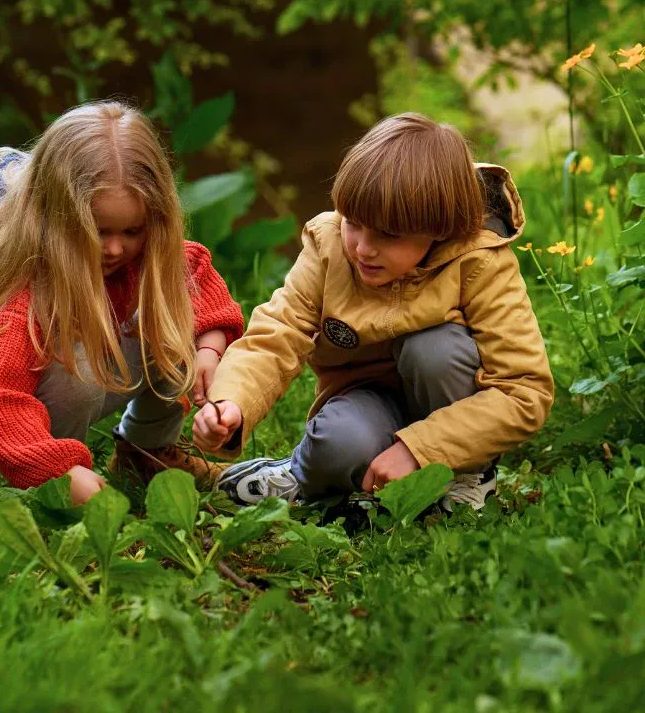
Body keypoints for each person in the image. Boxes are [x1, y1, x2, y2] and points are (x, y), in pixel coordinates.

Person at [193, 113, 553, 511]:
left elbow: (523, 390)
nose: (363, 248)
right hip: (365, 398)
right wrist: (232, 402)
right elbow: (278, 332)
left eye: (388, 235)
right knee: (338, 445)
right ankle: (300, 472)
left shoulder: (481, 261)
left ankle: (466, 476)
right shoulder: (329, 246)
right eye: (355, 224)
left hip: (452, 403)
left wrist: (421, 450)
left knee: (434, 349)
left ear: (441, 227)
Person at [0, 101, 243, 505]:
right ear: (56, 215)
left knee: (172, 320)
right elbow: (1, 398)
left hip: (41, 373)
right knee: (77, 368)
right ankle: (56, 489)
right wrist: (60, 472)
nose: (116, 248)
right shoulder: (24, 285)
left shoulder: (143, 248)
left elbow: (196, 277)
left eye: (132, 231)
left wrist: (209, 346)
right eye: (98, 231)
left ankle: (145, 453)